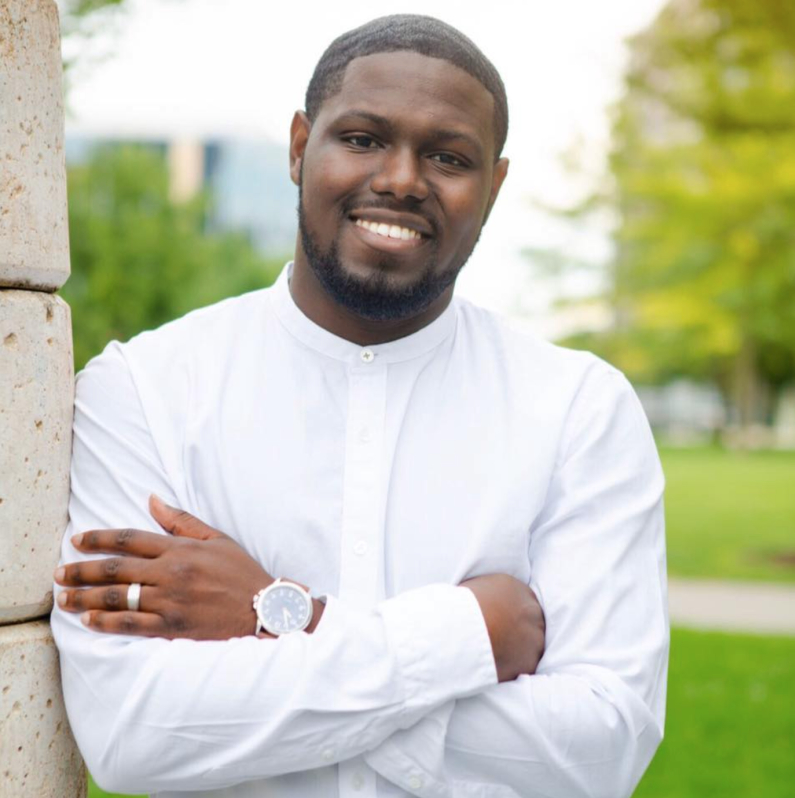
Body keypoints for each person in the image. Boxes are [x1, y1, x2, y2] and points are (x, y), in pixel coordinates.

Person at [51, 14, 668, 798]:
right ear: (300, 146)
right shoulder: (143, 390)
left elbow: (602, 746)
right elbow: (133, 732)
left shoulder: (580, 409)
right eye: (364, 139)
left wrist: (285, 619)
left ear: (496, 186)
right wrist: (467, 638)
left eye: (448, 156)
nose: (403, 180)